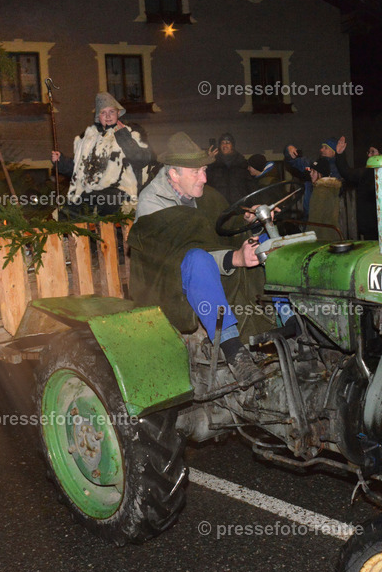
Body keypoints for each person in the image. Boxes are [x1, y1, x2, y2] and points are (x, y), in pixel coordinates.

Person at [131, 132, 270, 387]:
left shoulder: (205, 195)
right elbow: (184, 254)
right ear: (173, 174)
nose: (204, 178)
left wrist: (250, 223)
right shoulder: (152, 204)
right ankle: (233, 350)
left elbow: (222, 227)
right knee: (198, 260)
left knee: (267, 246)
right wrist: (233, 258)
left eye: (204, 170)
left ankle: (285, 323)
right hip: (166, 282)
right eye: (196, 172)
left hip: (204, 268)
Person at [51, 92, 151, 214]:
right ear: (99, 117)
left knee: (106, 202)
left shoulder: (132, 133)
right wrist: (61, 161)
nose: (108, 116)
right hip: (93, 191)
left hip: (121, 192)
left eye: (111, 112)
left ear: (118, 113)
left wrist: (122, 135)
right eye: (103, 112)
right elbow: (80, 169)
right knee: (69, 210)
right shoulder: (92, 139)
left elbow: (141, 159)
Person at [283, 136, 352, 215]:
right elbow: (295, 162)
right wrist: (289, 150)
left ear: (334, 151)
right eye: (322, 147)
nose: (321, 149)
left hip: (330, 218)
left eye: (325, 148)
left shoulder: (341, 171)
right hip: (310, 214)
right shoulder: (314, 164)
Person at [205, 132, 252, 204]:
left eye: (228, 142)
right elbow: (206, 181)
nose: (225, 145)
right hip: (219, 205)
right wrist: (209, 161)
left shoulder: (242, 163)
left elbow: (249, 186)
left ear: (232, 145)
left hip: (238, 205)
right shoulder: (213, 164)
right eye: (222, 143)